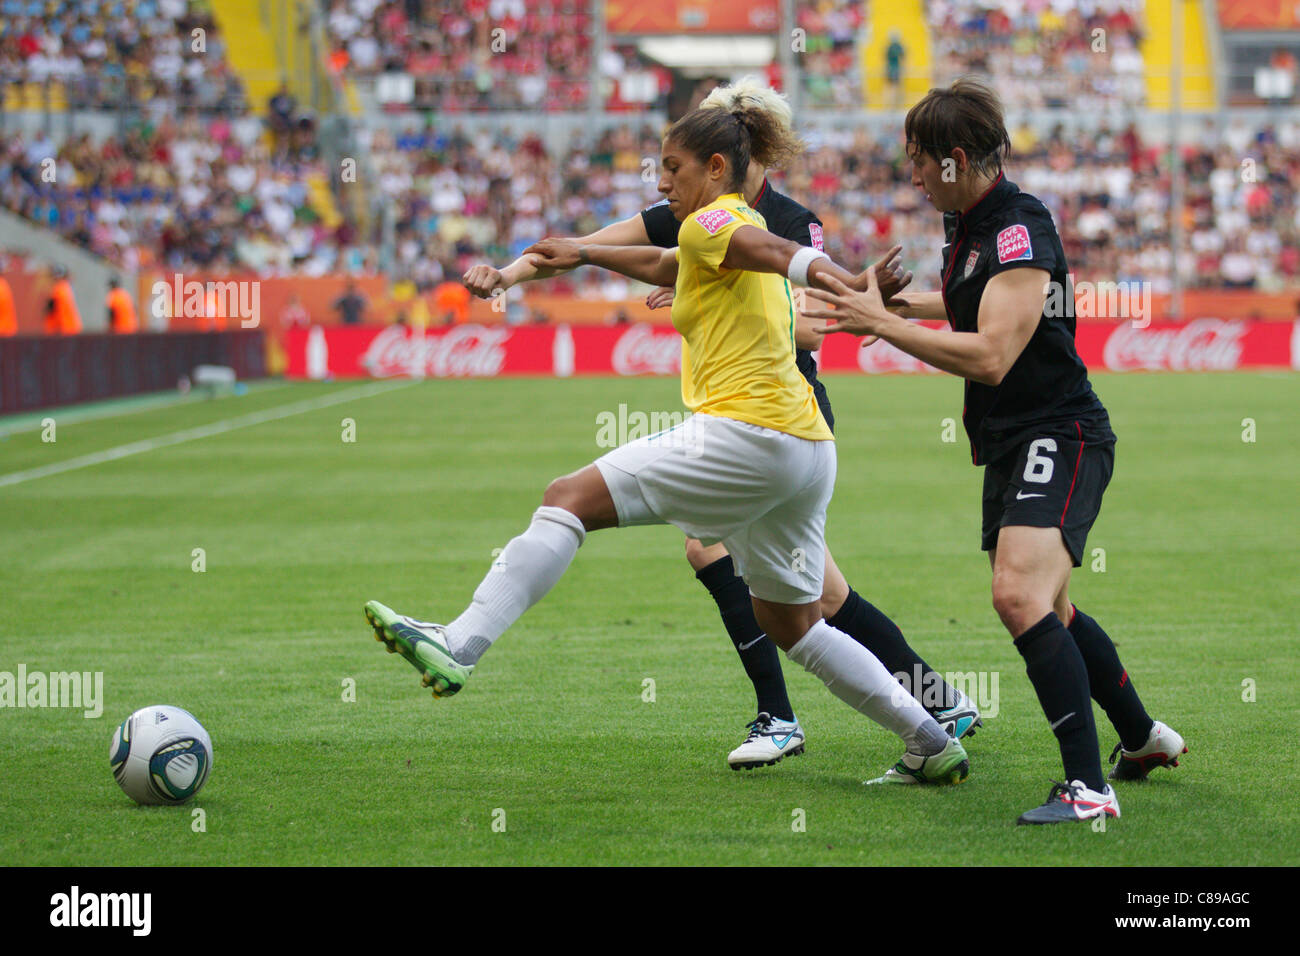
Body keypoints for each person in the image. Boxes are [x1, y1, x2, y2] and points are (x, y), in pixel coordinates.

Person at [365, 99, 972, 786]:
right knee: (794, 623)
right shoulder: (710, 232)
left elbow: (778, 253)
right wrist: (585, 253)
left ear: (716, 169)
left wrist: (849, 284)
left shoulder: (718, 219)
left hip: (748, 436)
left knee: (568, 498)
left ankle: (459, 643)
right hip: (805, 448)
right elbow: (668, 264)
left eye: (671, 169)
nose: (661, 183)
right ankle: (928, 737)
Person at [802, 78, 1187, 823]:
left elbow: (991, 354)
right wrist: (876, 304)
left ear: (953, 159)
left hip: (1060, 430)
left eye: (917, 161)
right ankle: (1140, 739)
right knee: (1054, 607)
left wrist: (879, 326)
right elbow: (964, 300)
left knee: (1018, 595)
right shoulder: (968, 226)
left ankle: (1087, 791)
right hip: (1013, 440)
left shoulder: (1018, 226)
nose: (910, 176)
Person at [43, 267, 82, 335]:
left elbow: (51, 308)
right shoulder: (66, 287)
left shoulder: (59, 288)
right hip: (70, 327)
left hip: (64, 328)